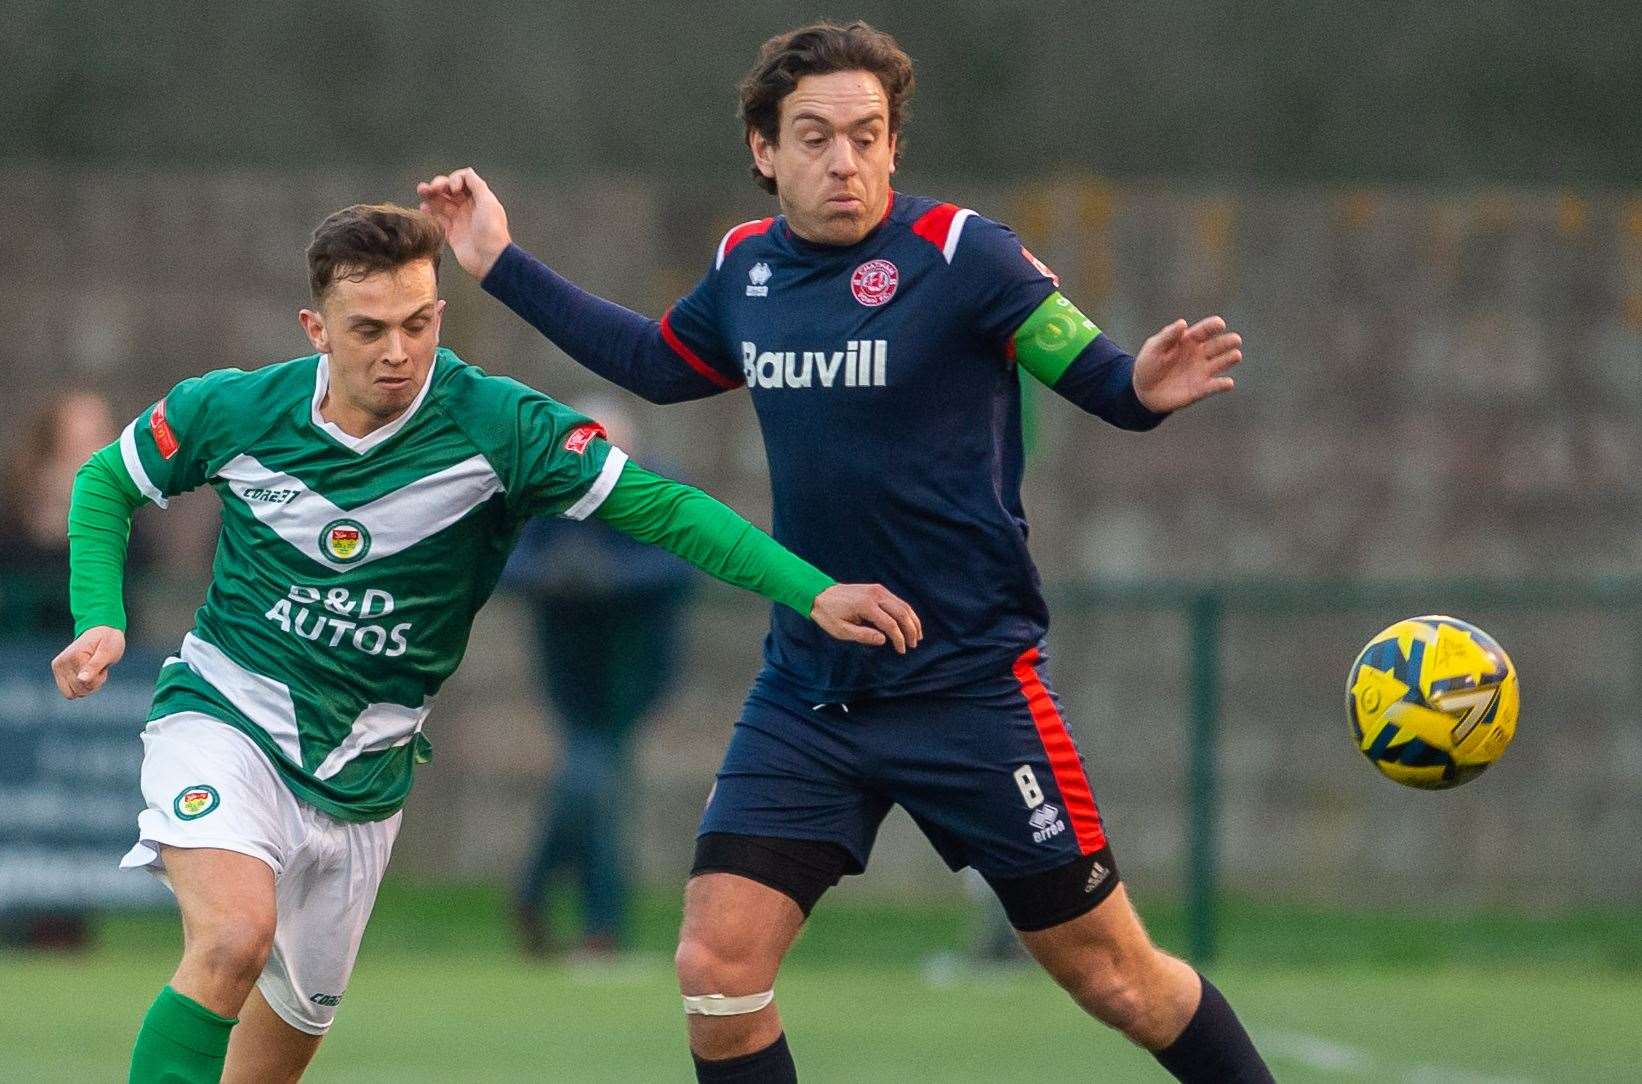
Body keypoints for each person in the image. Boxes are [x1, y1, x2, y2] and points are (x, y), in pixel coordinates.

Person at [420, 19, 1269, 1083]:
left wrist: (1141, 388)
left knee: (1117, 981)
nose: (845, 160)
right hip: (810, 693)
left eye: (867, 136)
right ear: (763, 150)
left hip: (969, 687)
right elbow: (655, 361)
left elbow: (1098, 374)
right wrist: (495, 259)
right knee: (717, 968)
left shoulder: (967, 256)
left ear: (894, 146)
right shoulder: (745, 269)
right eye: (815, 137)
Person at [51, 202, 920, 1084]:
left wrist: (812, 590)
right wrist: (101, 616)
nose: (399, 351)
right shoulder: (233, 409)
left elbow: (664, 508)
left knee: (272, 1058)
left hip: (365, 774)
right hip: (225, 713)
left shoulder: (499, 425)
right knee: (233, 939)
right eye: (371, 329)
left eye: (420, 323)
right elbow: (105, 482)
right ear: (315, 329)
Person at [504, 397, 696, 957]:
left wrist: (610, 578)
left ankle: (550, 898)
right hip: (570, 661)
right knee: (597, 776)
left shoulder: (656, 485)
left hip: (633, 662)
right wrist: (555, 575)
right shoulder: (549, 493)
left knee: (593, 773)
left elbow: (682, 562)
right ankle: (596, 925)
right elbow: (505, 562)